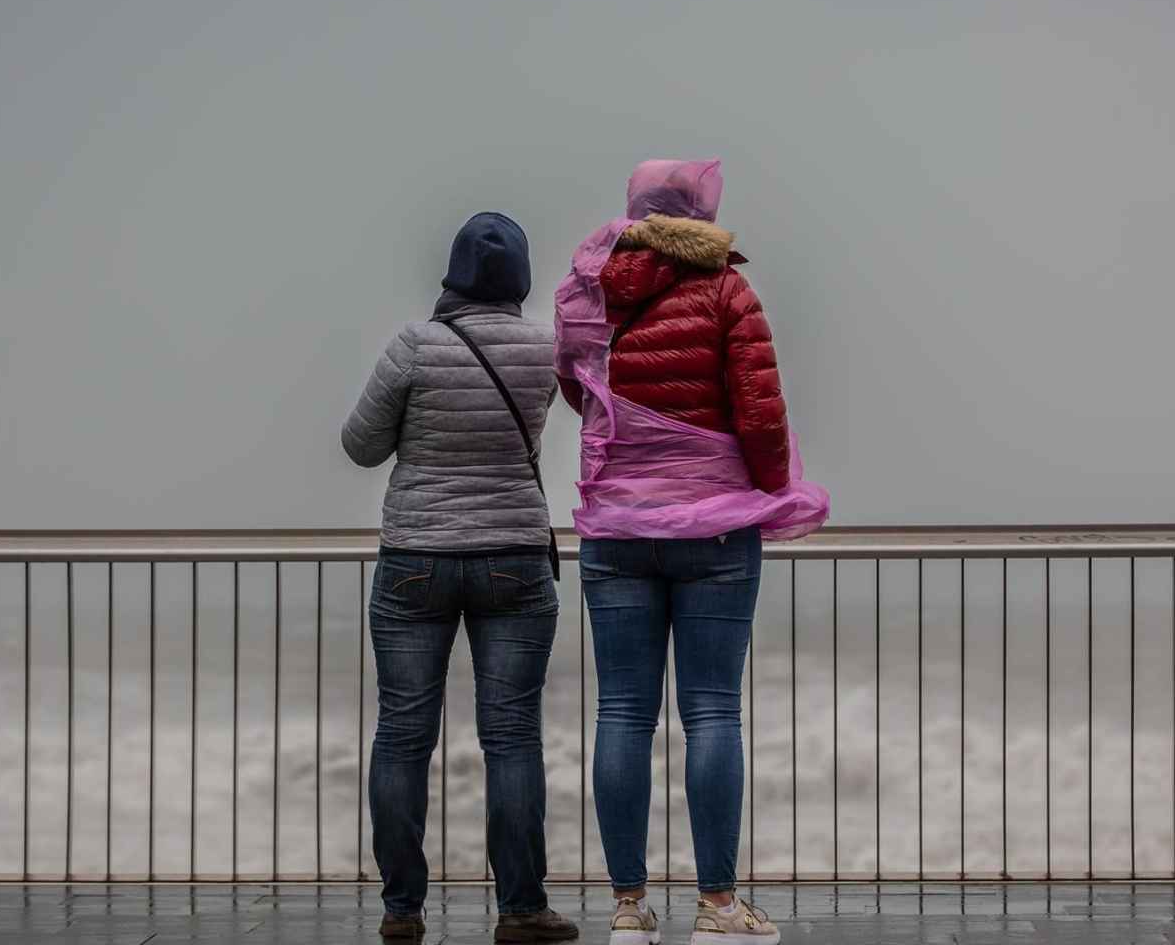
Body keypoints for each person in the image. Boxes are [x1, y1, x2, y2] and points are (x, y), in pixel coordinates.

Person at [554, 161, 829, 945]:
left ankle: (629, 909)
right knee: (711, 710)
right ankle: (715, 909)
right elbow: (761, 412)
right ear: (705, 216)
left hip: (617, 528)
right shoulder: (727, 294)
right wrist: (769, 488)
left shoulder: (595, 289)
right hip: (713, 531)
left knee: (622, 712)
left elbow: (580, 392)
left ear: (636, 213)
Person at [343, 211, 577, 943]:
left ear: (452, 272)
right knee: (511, 737)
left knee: (405, 734)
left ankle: (401, 910)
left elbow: (360, 445)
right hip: (512, 552)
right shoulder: (545, 349)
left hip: (417, 556)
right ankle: (520, 908)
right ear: (520, 278)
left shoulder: (415, 345)